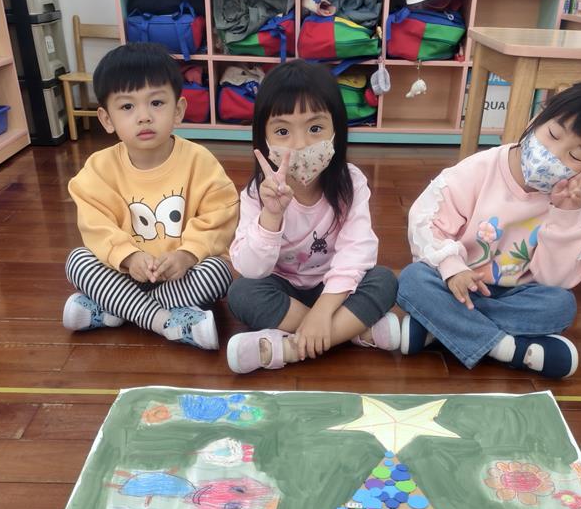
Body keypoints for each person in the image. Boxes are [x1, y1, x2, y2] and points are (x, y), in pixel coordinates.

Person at [396, 80, 581, 379]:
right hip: (457, 284)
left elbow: (554, 280)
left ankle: (440, 327)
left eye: (575, 157)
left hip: (516, 295)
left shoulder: (577, 206)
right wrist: (453, 269)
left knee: (561, 305)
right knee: (412, 280)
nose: (553, 153)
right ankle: (509, 350)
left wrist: (564, 216)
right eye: (552, 134)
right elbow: (427, 221)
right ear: (537, 119)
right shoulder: (480, 168)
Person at [226, 60, 399, 374]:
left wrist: (323, 311)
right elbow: (251, 268)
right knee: (242, 293)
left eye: (315, 128)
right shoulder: (256, 193)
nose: (300, 144)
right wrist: (271, 216)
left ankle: (291, 348)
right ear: (263, 138)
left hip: (334, 289)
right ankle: (350, 332)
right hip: (285, 290)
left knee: (384, 280)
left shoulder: (352, 182)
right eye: (282, 131)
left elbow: (357, 252)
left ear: (336, 130)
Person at [64, 42, 239, 350]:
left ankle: (114, 309)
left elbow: (220, 214)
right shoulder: (99, 168)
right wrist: (129, 257)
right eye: (127, 107)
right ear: (107, 119)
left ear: (178, 110)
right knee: (77, 261)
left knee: (219, 272)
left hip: (180, 276)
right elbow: (96, 226)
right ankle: (164, 321)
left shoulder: (200, 161)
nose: (144, 116)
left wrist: (187, 255)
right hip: (121, 273)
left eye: (156, 103)